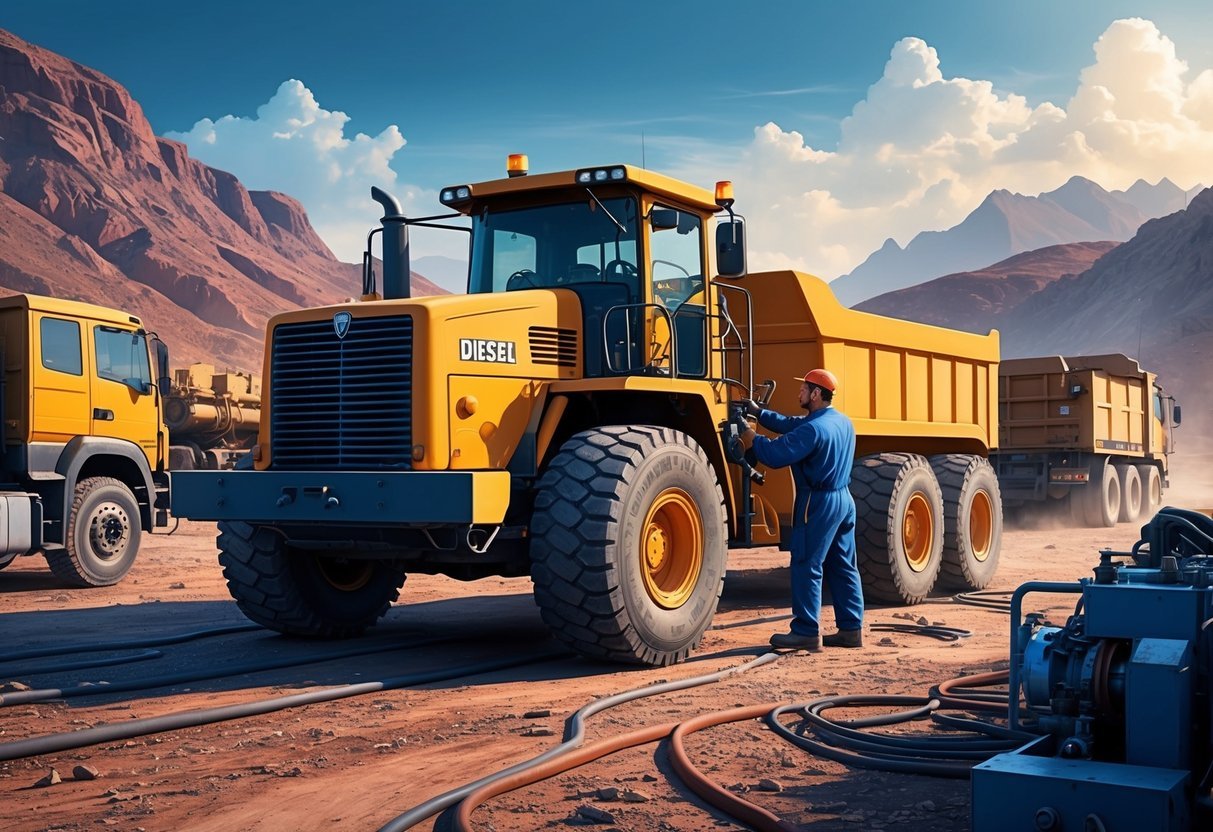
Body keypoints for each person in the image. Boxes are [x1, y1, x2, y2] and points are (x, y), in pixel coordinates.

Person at [738, 369, 864, 651]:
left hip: (817, 502)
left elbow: (774, 455)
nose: (799, 393)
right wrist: (760, 413)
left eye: (804, 389)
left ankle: (806, 631)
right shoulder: (840, 422)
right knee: (843, 565)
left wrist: (751, 437)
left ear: (816, 394)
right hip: (843, 500)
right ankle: (851, 630)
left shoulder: (813, 429)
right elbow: (792, 425)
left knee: (807, 563)